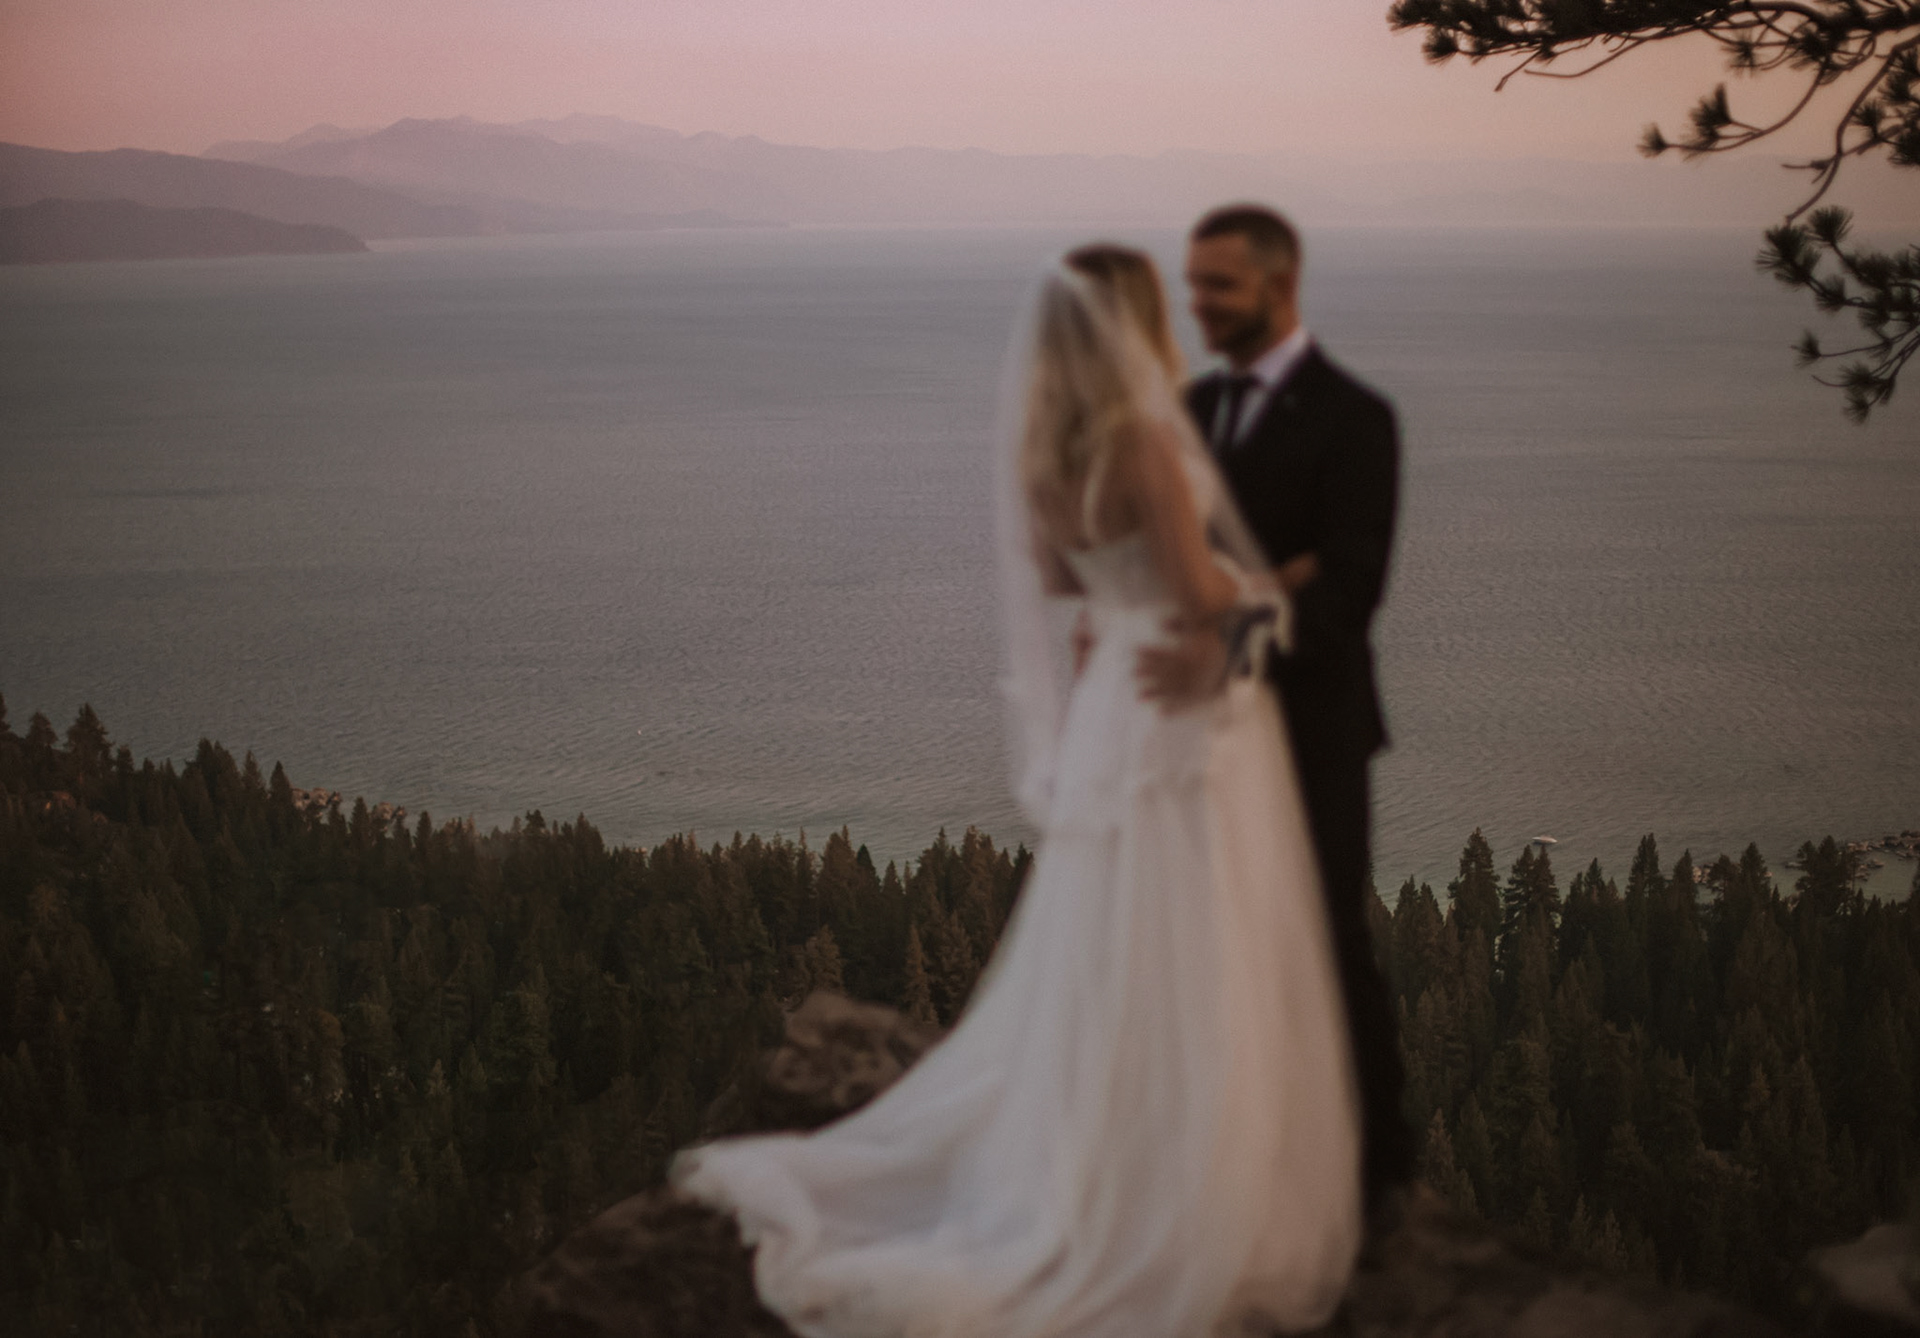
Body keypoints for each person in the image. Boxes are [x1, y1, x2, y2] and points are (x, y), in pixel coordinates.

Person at [671, 245, 1361, 1337]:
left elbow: (1054, 581)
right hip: (1171, 703)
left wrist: (1127, 596)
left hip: (1105, 707)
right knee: (1191, 932)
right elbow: (1195, 597)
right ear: (1137, 326)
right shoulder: (1146, 444)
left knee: (1105, 938)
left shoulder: (1051, 453)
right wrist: (1279, 587)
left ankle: (1086, 1156)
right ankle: (1170, 1186)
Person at [1137, 204, 1414, 1220]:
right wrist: (1250, 592)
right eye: (1192, 282)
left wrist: (1228, 643)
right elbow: (1175, 567)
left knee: (1329, 940)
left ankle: (1384, 1176)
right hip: (1203, 739)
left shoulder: (1357, 419)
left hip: (1313, 732)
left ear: (1279, 286)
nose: (1196, 303)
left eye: (1216, 284)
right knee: (1213, 945)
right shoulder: (1191, 410)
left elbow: (1348, 592)